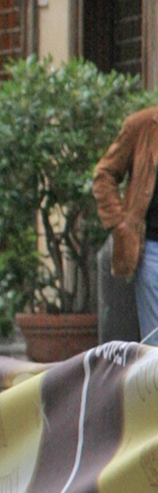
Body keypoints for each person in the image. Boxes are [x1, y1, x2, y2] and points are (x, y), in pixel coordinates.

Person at [92, 103, 158, 344]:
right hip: (152, 250)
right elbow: (104, 174)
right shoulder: (142, 125)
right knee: (155, 351)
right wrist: (119, 222)